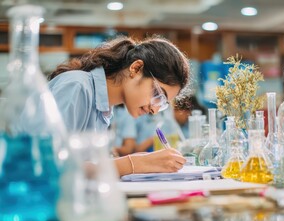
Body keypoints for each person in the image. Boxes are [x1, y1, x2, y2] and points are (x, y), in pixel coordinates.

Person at [47, 35, 190, 176]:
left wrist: (137, 161)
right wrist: (134, 163)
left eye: (163, 104)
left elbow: (84, 165)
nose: (154, 109)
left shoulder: (105, 108)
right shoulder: (76, 87)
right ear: (136, 68)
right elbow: (50, 166)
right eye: (157, 95)